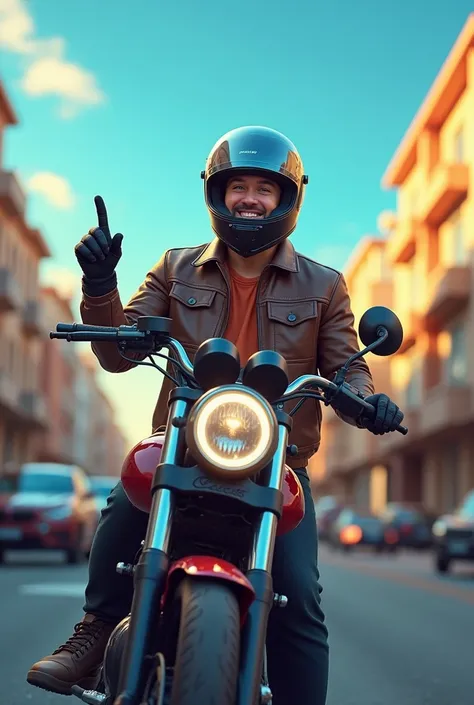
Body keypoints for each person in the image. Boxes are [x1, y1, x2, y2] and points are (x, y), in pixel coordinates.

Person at [27, 126, 403, 704]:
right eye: (238, 186)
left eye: (264, 188)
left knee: (299, 595)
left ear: (287, 199)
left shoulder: (325, 286)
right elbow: (118, 350)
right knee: (123, 506)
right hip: (181, 443)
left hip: (277, 459)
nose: (249, 197)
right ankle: (94, 633)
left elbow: (345, 364)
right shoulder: (175, 269)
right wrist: (99, 283)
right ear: (217, 195)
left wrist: (367, 399)